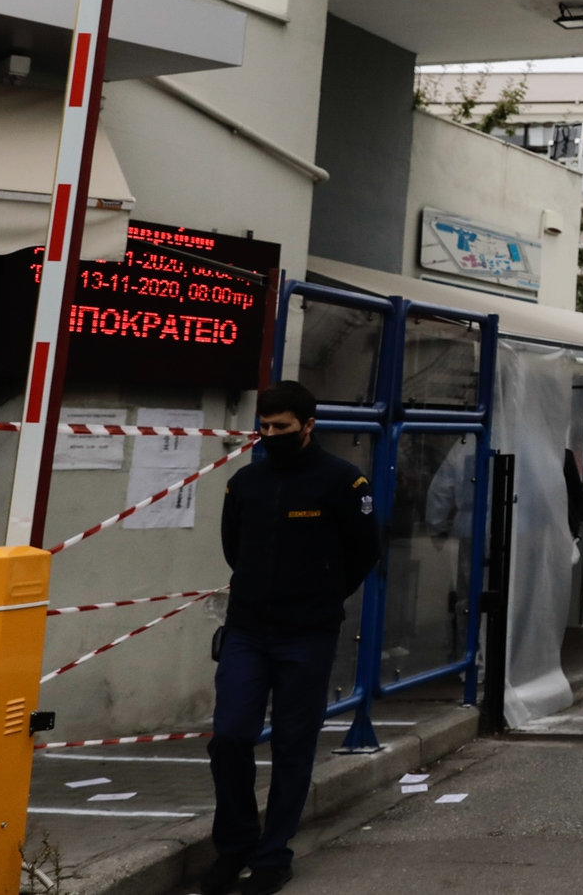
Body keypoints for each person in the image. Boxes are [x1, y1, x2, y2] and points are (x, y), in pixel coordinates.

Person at [204, 382, 380, 894]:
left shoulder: (344, 482)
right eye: (264, 426)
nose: (270, 434)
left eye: (281, 427)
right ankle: (234, 844)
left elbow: (364, 552)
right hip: (247, 631)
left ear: (308, 426)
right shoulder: (245, 483)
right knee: (229, 736)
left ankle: (272, 856)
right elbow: (234, 549)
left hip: (308, 633)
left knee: (292, 744)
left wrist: (319, 596)